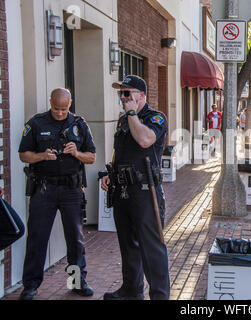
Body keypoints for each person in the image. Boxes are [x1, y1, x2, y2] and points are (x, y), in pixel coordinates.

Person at [18, 88, 96, 300]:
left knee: (75, 240)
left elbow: (92, 157)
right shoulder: (36, 123)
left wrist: (76, 153)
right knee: (37, 238)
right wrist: (42, 156)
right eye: (56, 108)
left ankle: (77, 283)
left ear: (70, 103)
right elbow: (23, 155)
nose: (60, 112)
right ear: (50, 101)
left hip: (71, 190)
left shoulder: (79, 124)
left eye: (64, 108)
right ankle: (31, 286)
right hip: (44, 189)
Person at [101, 75, 170, 300]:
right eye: (121, 93)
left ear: (141, 95)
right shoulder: (123, 120)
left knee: (152, 248)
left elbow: (144, 140)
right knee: (128, 244)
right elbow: (119, 152)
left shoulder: (155, 118)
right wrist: (109, 174)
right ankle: (131, 290)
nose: (122, 97)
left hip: (145, 191)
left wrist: (132, 114)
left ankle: (159, 295)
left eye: (127, 93)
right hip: (123, 191)